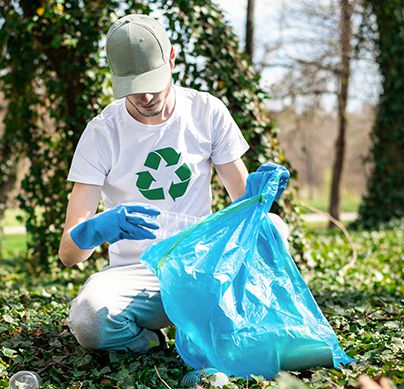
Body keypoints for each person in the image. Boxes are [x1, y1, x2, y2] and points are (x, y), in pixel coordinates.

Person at [59, 13, 290, 354]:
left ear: (171, 58)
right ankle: (150, 340)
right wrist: (95, 230)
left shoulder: (206, 112)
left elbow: (245, 210)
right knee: (88, 319)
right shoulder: (101, 133)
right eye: (133, 87)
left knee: (273, 228)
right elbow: (69, 254)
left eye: (152, 82)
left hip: (205, 263)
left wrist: (259, 197)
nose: (146, 97)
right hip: (139, 275)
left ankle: (250, 323)